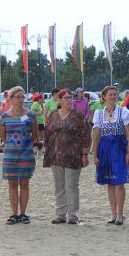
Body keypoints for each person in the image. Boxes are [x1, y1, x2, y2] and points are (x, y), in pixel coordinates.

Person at [43, 89, 90, 224]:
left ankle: (73, 214)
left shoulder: (78, 116)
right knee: (59, 185)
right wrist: (47, 150)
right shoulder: (53, 115)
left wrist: (85, 154)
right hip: (55, 155)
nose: (70, 100)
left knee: (71, 185)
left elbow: (85, 136)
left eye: (71, 98)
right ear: (59, 100)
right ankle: (60, 213)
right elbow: (48, 134)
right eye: (66, 98)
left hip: (73, 155)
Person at [93, 85, 129, 225]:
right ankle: (113, 213)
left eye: (115, 94)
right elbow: (96, 135)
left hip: (119, 147)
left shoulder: (124, 112)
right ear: (103, 97)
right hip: (104, 148)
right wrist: (95, 154)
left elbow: (128, 134)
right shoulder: (98, 113)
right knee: (109, 182)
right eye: (110, 94)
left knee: (119, 182)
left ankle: (120, 214)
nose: (113, 97)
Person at [0, 86, 38, 225]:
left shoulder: (30, 115)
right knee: (12, 184)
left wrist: (24, 145)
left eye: (23, 97)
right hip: (10, 155)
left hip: (26, 155)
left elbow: (35, 136)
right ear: (11, 99)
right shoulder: (4, 117)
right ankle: (14, 214)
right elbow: (3, 137)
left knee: (25, 184)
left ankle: (23, 214)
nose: (21, 99)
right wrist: (13, 145)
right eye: (18, 97)